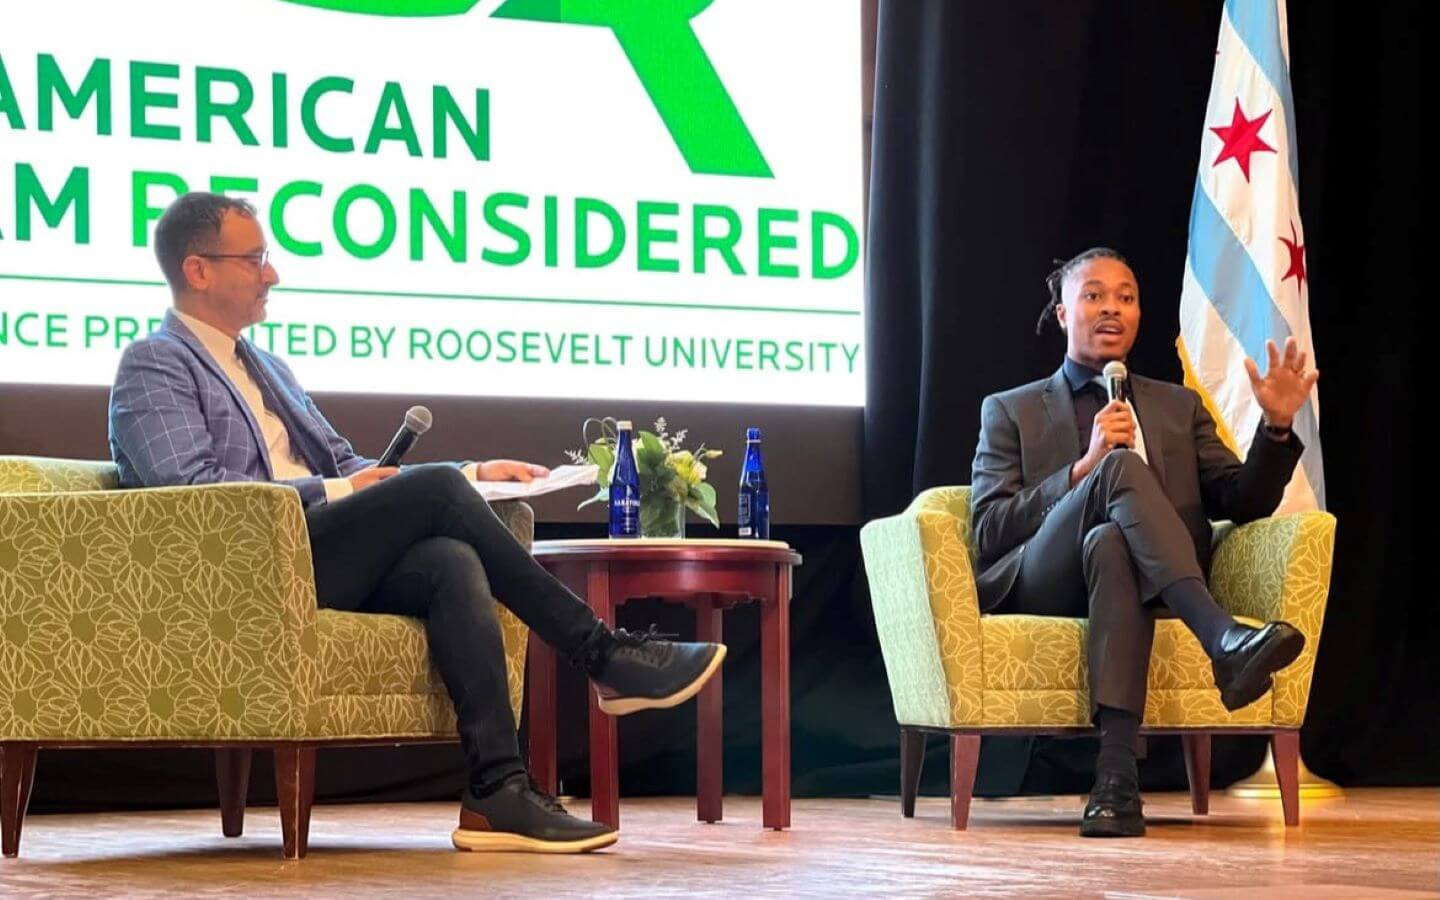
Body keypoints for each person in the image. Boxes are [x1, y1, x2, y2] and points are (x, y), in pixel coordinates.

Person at [109, 192, 727, 854]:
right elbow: (189, 490)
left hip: (316, 556)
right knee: (434, 493)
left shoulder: (265, 366)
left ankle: (496, 791)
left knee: (448, 563)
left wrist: (475, 469)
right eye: (256, 258)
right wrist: (344, 487)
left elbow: (351, 464)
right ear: (197, 270)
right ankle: (602, 654)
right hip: (245, 569)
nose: (273, 274)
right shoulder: (155, 361)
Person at [970, 247, 1319, 838]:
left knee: (1111, 544)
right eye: (1094, 295)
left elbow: (1242, 501)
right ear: (1061, 313)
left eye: (1126, 297)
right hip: (1046, 580)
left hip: (1148, 579)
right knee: (1117, 471)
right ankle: (1222, 638)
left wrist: (1277, 427)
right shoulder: (1012, 409)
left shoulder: (1177, 406)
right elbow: (988, 531)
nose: (1112, 308)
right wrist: (1083, 469)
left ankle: (1114, 784)